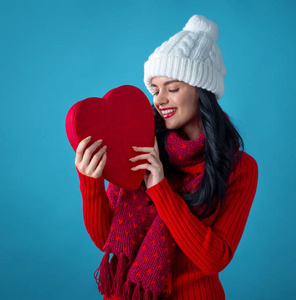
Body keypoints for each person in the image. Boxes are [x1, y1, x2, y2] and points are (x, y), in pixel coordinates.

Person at [74, 15, 259, 300]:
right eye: (155, 90)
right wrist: (91, 184)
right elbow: (107, 242)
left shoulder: (240, 169)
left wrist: (160, 189)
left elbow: (214, 259)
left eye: (172, 89)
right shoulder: (140, 143)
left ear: (202, 92)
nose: (159, 100)